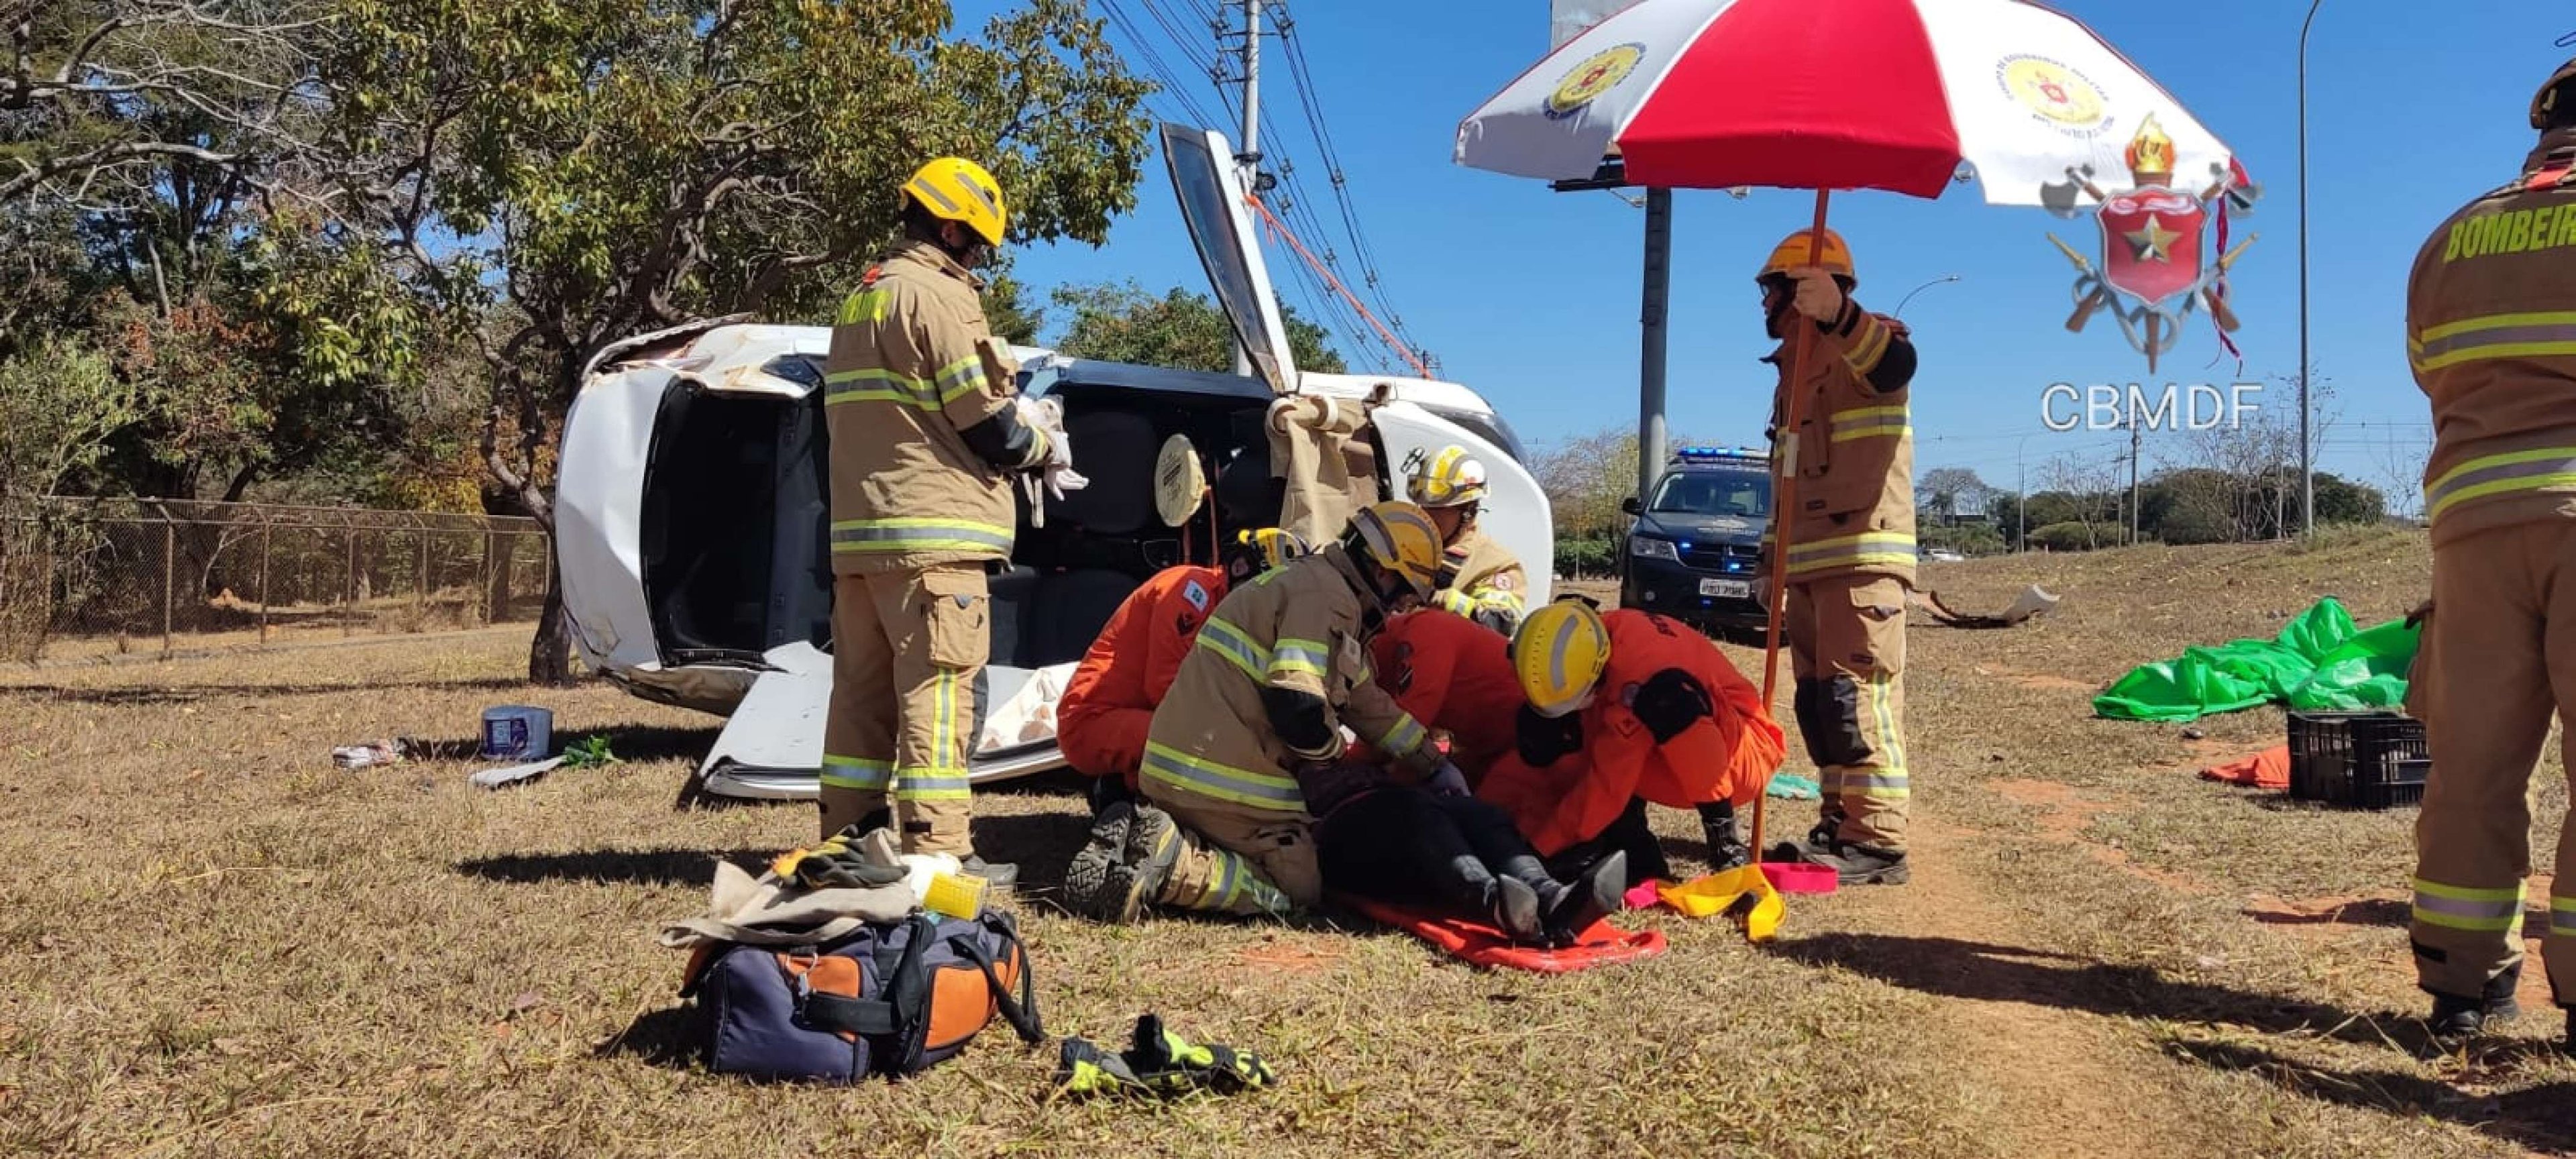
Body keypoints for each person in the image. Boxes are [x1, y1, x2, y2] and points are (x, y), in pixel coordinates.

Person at [2401, 58, 2576, 1050]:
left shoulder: (2451, 238)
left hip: (2472, 518)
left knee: (2471, 762)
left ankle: (2463, 990)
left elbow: (2432, 372)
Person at [818, 157, 1052, 883]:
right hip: (936, 541)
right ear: (950, 229)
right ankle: (939, 855)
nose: (979, 260)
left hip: (865, 542)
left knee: (859, 700)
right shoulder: (941, 299)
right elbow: (989, 426)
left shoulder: (862, 300)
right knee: (938, 697)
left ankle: (849, 847)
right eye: (977, 244)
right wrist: (1044, 443)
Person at [1060, 502, 1452, 923]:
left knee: (1241, 836)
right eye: (1405, 594)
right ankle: (1177, 865)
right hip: (1221, 784)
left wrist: (1432, 763)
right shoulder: (1329, 599)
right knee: (1299, 885)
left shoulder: (1310, 587)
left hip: (1172, 769)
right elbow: (1297, 707)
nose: (1399, 611)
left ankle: (1151, 838)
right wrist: (1333, 759)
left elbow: (1369, 704)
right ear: (1383, 573)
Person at [1755, 227, 1921, 886]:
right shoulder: (1791, 374)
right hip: (1807, 570)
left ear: (1799, 290)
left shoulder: (1866, 342)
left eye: (1770, 289)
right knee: (1820, 706)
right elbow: (1784, 479)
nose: (1761, 303)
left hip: (1860, 560)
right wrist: (1772, 565)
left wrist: (1842, 316)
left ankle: (1877, 842)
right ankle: (1839, 826)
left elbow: (1893, 369)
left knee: (1859, 702)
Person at [1478, 598, 1785, 885]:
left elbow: (1607, 788)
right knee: (1547, 732)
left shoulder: (1640, 682)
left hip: (1742, 758)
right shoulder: (1591, 637)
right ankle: (1633, 850)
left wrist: (1538, 853)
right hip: (1686, 744)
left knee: (1663, 703)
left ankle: (1726, 847)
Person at [1057, 528, 1309, 802]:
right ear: (1240, 567)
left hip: (1140, 719)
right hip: (1093, 722)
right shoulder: (1188, 591)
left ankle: (1129, 788)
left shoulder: (1227, 615)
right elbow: (1164, 688)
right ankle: (1131, 797)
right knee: (1212, 744)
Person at [1315, 782, 1629, 946]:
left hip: (1391, 792)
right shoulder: (1286, 698)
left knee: (1482, 814)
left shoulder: (1353, 681)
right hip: (1332, 821)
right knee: (1415, 815)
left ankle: (1555, 898)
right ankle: (1495, 902)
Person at [1365, 606, 1529, 787]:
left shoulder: (1426, 633)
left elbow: (1408, 723)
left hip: (1526, 742)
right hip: (1494, 748)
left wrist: (1350, 765)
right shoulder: (1420, 636)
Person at [1404, 445, 1527, 635]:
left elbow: (1500, 622)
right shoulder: (1407, 545)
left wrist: (1441, 598)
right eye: (1424, 506)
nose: (1427, 516)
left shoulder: (1496, 564)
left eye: (1439, 509)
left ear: (1468, 511)